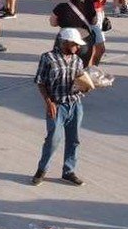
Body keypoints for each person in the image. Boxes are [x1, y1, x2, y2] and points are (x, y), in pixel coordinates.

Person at [32, 27, 88, 186]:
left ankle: (68, 171)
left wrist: (87, 86)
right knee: (53, 139)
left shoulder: (78, 60)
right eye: (75, 44)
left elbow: (79, 82)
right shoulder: (48, 58)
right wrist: (48, 102)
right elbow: (40, 82)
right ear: (65, 42)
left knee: (74, 139)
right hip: (56, 105)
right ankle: (42, 170)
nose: (78, 48)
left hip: (75, 104)